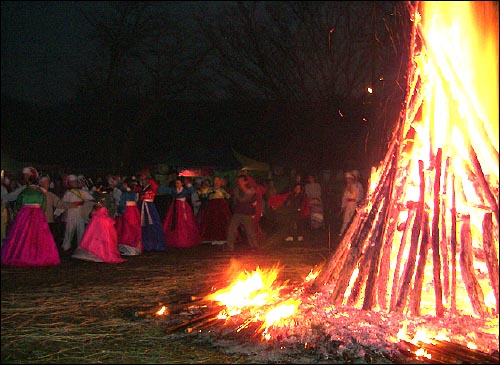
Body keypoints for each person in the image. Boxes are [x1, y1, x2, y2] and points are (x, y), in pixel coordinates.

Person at [1, 173, 61, 267]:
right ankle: (37, 255)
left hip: (24, 215)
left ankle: (22, 254)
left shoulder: (24, 192)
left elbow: (18, 203)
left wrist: (18, 211)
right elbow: (43, 205)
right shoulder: (40, 193)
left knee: (23, 235)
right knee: (38, 236)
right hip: (37, 214)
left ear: (28, 182)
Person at [57, 174, 96, 252]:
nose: (74, 183)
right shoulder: (68, 193)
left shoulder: (82, 192)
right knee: (69, 230)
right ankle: (66, 245)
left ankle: (81, 246)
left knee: (81, 230)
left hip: (80, 213)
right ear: (69, 183)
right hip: (71, 213)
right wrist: (57, 213)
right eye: (72, 182)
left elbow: (91, 199)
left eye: (75, 181)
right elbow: (62, 204)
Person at [162, 177, 202, 248]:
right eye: (176, 183)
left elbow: (192, 191)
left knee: (186, 221)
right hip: (175, 207)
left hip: (183, 207)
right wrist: (166, 181)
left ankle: (186, 239)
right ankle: (176, 239)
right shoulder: (174, 190)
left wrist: (188, 184)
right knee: (175, 222)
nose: (177, 185)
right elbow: (164, 190)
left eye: (179, 183)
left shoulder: (185, 190)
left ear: (182, 183)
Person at [226, 174, 258, 252]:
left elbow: (245, 198)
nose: (239, 182)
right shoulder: (237, 189)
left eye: (241, 180)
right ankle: (230, 247)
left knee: (250, 231)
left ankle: (254, 246)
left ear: (245, 181)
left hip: (247, 212)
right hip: (237, 212)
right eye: (238, 181)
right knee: (232, 229)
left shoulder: (250, 189)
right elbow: (234, 197)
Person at [136, 170, 166, 251]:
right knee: (143, 226)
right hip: (142, 207)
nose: (142, 181)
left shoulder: (151, 186)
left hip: (149, 207)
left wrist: (149, 177)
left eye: (143, 179)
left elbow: (155, 186)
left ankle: (156, 244)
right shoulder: (142, 188)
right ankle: (146, 244)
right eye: (141, 180)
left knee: (153, 224)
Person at [198, 176, 232, 245]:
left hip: (221, 208)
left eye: (218, 180)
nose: (216, 182)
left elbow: (228, 196)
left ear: (220, 182)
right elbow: (204, 195)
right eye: (215, 180)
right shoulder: (210, 189)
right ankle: (212, 237)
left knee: (222, 221)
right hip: (212, 208)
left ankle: (222, 237)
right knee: (212, 221)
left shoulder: (222, 190)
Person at [115, 177, 142, 256]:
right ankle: (134, 248)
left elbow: (122, 204)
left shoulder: (125, 193)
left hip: (127, 211)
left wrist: (120, 212)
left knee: (126, 230)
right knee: (134, 229)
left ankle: (128, 249)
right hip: (134, 211)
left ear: (126, 185)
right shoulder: (133, 193)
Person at [38, 175, 64, 244]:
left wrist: (57, 213)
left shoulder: (50, 194)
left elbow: (60, 204)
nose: (48, 184)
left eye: (48, 182)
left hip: (49, 220)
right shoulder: (37, 193)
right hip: (40, 221)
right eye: (47, 182)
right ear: (41, 183)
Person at [339, 171, 364, 237]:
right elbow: (344, 197)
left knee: (353, 219)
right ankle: (343, 233)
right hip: (348, 205)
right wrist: (343, 206)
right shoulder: (347, 187)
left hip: (354, 204)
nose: (348, 180)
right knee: (346, 219)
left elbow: (359, 196)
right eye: (347, 179)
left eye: (349, 179)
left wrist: (358, 204)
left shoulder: (357, 186)